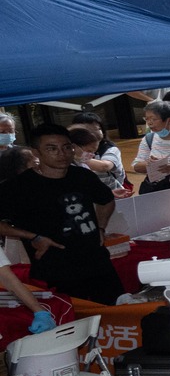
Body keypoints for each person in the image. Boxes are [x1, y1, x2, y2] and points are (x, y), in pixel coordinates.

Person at [0, 123, 122, 303]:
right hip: (55, 267)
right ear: (36, 152)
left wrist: (101, 228)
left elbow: (106, 200)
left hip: (96, 261)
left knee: (117, 310)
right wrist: (33, 237)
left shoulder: (82, 176)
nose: (62, 153)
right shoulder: (17, 187)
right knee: (74, 318)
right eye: (52, 149)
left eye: (67, 147)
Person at [67, 112, 126, 194]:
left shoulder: (109, 148)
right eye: (89, 130)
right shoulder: (65, 163)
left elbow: (104, 166)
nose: (92, 155)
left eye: (98, 128)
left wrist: (82, 157)